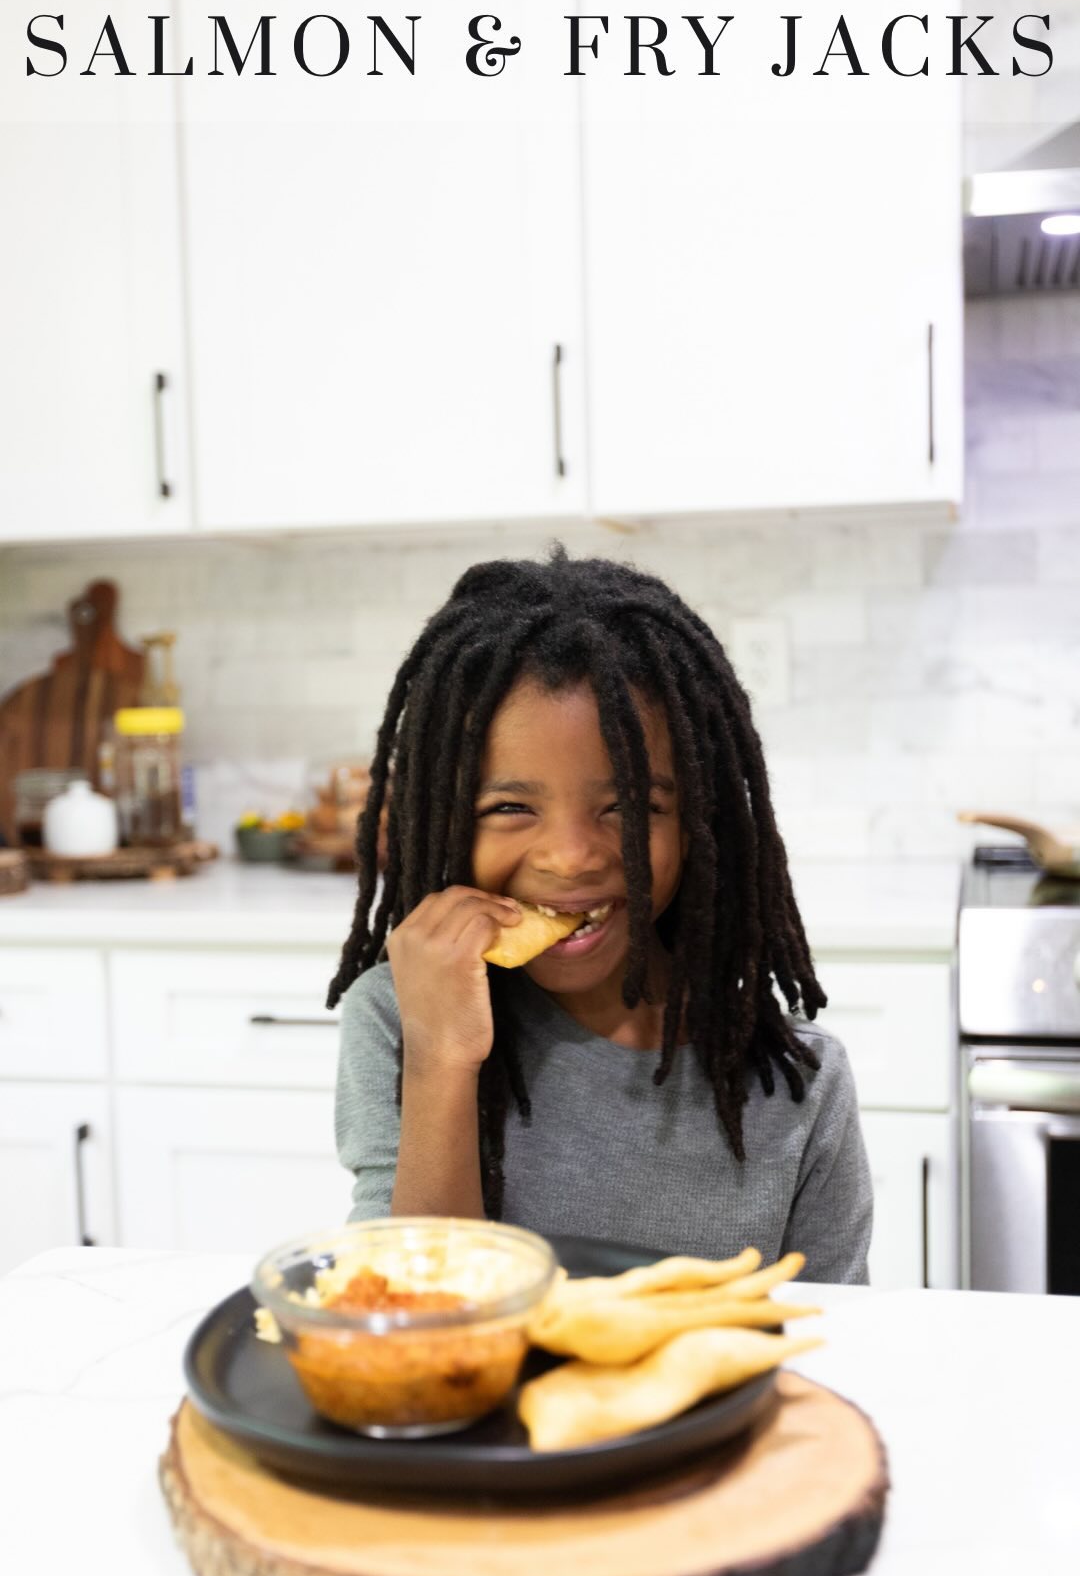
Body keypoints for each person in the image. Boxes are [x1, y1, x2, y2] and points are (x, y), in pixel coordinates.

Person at [328, 550, 872, 1283]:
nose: (572, 857)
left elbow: (832, 1346)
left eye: (628, 806)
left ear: (698, 821)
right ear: (442, 818)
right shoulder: (401, 1020)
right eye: (511, 808)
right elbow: (406, 1321)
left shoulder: (799, 1085)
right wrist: (442, 1061)